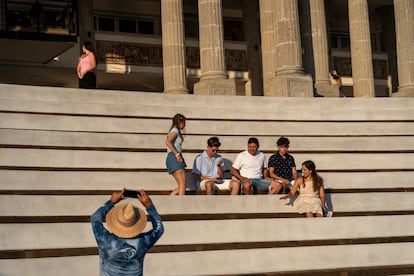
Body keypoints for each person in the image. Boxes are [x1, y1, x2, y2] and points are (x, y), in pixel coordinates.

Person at [91, 189, 164, 275]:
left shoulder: (104, 239)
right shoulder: (143, 241)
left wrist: (111, 202)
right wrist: (149, 206)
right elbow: (159, 229)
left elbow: (95, 218)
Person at [165, 113, 187, 195]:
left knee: (182, 185)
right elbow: (168, 142)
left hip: (174, 157)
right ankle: (180, 205)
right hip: (174, 157)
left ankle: (170, 200)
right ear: (179, 122)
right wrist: (177, 154)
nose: (185, 125)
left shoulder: (175, 130)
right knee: (182, 185)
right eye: (184, 122)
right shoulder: (175, 130)